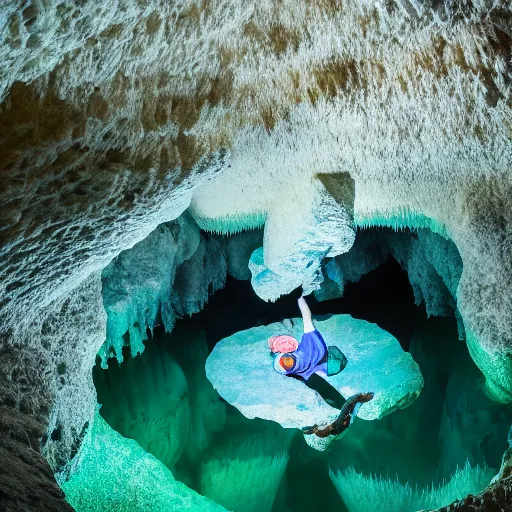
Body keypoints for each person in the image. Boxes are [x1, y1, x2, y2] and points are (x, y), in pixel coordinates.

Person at [269, 293, 374, 439]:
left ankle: (279, 342)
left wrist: (299, 298)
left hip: (310, 371)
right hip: (311, 370)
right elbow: (307, 317)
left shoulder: (309, 352)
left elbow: (307, 317)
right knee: (318, 385)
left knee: (317, 384)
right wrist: (300, 298)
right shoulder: (311, 351)